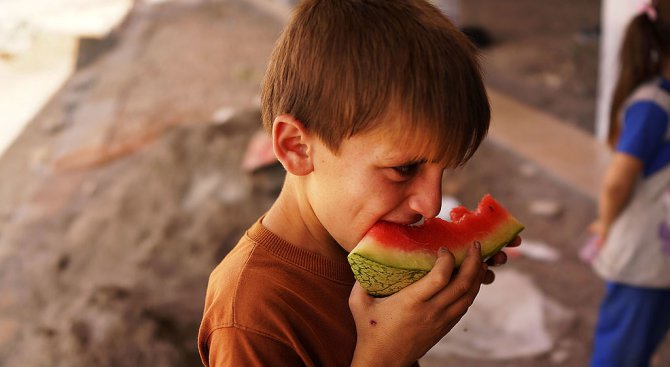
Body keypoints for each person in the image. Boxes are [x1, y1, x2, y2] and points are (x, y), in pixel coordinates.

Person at [198, 1, 521, 366]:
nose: (431, 205)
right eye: (405, 168)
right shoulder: (251, 317)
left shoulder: (357, 242)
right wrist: (384, 358)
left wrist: (452, 267)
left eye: (443, 171)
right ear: (297, 148)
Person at [590, 1, 670, 366]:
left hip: (659, 258)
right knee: (622, 354)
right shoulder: (653, 105)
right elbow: (616, 183)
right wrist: (606, 224)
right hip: (643, 258)